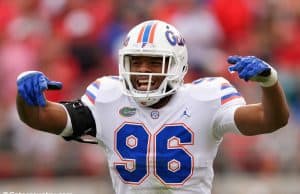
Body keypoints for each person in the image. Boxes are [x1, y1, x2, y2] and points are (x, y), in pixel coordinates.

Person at [16, 20, 289, 194]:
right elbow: (40, 118)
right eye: (136, 62)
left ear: (177, 65)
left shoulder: (206, 97)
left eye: (154, 62)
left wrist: (269, 83)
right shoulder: (107, 96)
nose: (143, 71)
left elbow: (270, 119)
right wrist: (25, 96)